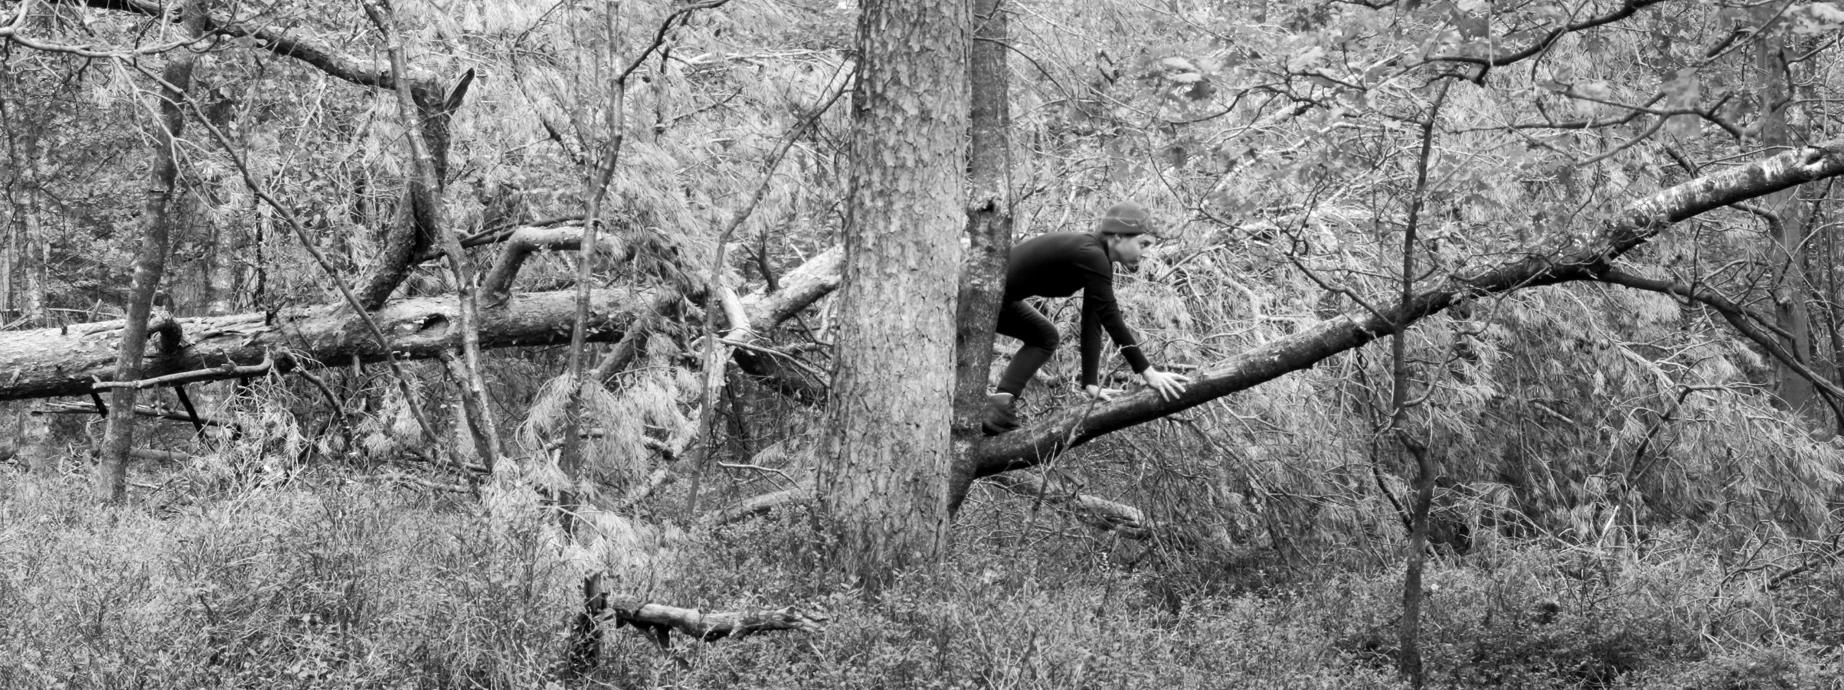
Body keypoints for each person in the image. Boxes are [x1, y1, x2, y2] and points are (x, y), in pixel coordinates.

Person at [984, 201, 1193, 435]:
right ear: (1117, 237)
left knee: (1045, 337)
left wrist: (1091, 382)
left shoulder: (1097, 259)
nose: (1146, 254)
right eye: (1143, 244)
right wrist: (1148, 372)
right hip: (978, 295)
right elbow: (1112, 318)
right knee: (1044, 337)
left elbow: (1092, 320)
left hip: (997, 300)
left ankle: (998, 407)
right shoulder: (1091, 254)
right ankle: (995, 409)